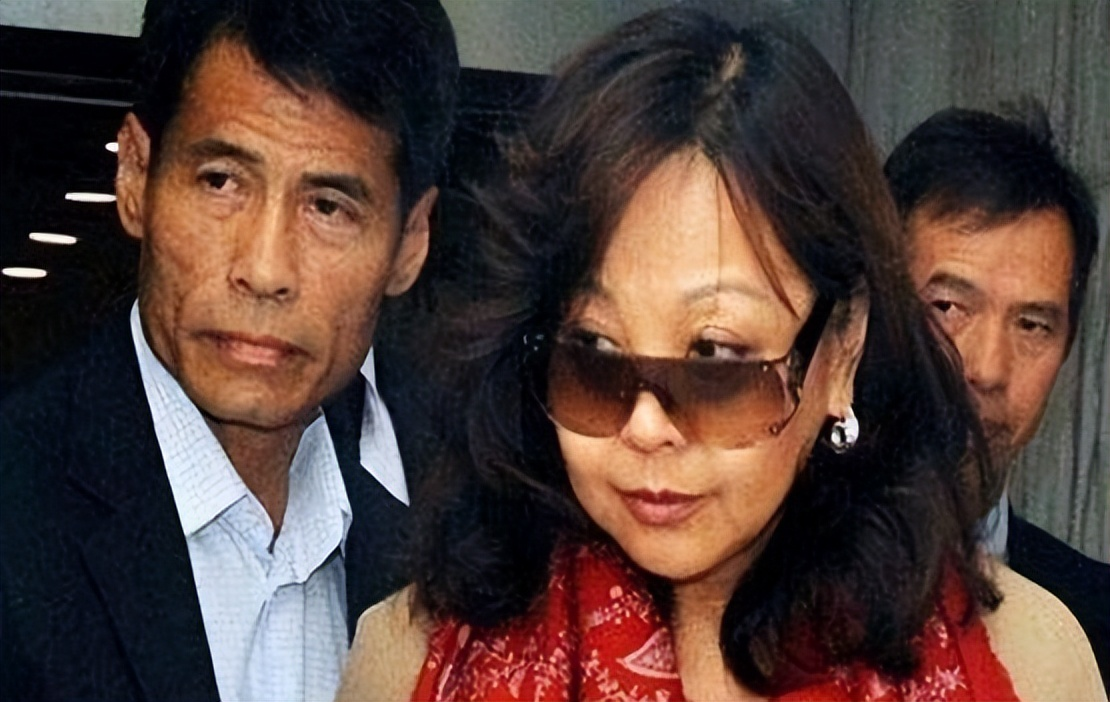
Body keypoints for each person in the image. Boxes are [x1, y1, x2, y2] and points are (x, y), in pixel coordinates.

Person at [337, 9, 1103, 702]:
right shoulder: (415, 658)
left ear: (842, 351)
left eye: (715, 359)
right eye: (595, 353)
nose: (646, 427)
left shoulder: (1027, 664)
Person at [0, 0, 457, 700]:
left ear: (411, 242)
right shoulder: (17, 507)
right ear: (136, 175)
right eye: (221, 181)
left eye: (328, 207)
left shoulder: (467, 529)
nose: (265, 269)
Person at [886, 105, 1110, 689]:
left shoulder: (1093, 624)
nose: (987, 368)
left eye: (1032, 325)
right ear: (870, 310)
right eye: (948, 308)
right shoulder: (758, 582)